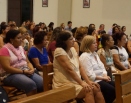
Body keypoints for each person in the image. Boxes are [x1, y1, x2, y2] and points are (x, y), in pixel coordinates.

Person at [52, 31, 105, 103]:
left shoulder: (72, 49)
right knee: (88, 90)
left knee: (96, 88)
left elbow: (80, 67)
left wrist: (88, 81)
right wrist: (82, 83)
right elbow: (69, 69)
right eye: (71, 39)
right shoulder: (59, 51)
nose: (73, 40)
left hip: (75, 82)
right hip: (64, 84)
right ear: (64, 41)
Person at [0, 30, 43, 96]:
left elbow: (27, 62)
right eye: (18, 38)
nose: (21, 40)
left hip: (25, 70)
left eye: (21, 38)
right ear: (11, 40)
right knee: (30, 84)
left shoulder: (21, 48)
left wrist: (31, 69)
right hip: (10, 74)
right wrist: (23, 71)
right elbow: (7, 68)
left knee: (42, 82)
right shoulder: (4, 49)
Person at [79, 35, 116, 103]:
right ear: (88, 44)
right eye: (93, 43)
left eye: (96, 42)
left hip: (102, 78)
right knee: (111, 90)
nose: (96, 44)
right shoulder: (85, 56)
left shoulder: (95, 54)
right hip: (95, 81)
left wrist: (105, 75)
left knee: (117, 86)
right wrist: (103, 78)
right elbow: (90, 75)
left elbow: (102, 67)